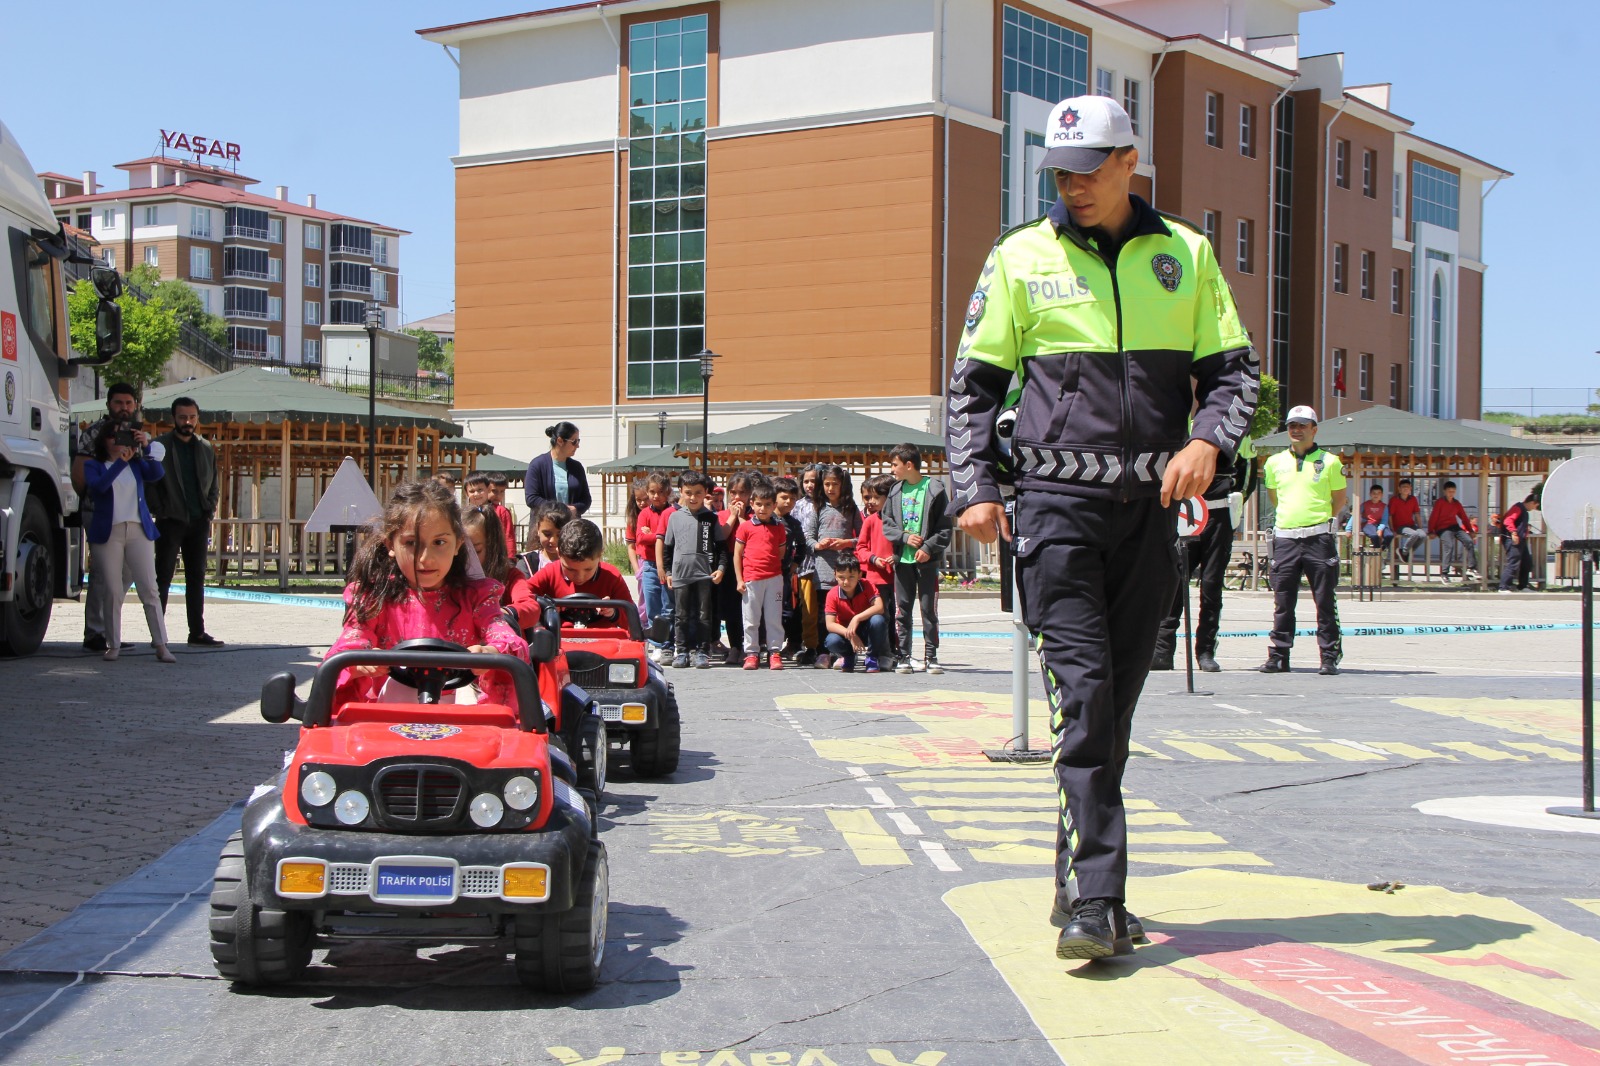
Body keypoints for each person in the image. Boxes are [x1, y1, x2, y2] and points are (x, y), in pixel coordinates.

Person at [947, 94, 1259, 961]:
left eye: (1088, 170)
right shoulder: (1019, 254)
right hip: (1055, 515)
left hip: (1151, 522)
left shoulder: (1187, 255)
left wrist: (1206, 440)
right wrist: (975, 486)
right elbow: (971, 388)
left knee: (1110, 716)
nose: (1073, 186)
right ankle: (1098, 902)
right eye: (1060, 172)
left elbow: (1237, 378)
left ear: (1129, 162)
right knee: (1082, 702)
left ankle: (1075, 881)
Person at [328, 480, 528, 709]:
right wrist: (359, 661)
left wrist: (491, 653)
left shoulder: (478, 598)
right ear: (390, 544)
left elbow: (508, 640)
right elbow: (347, 645)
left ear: (457, 544)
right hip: (384, 719)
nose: (425, 558)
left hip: (462, 720)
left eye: (439, 542)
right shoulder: (374, 597)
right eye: (412, 543)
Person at [1153, 433, 1256, 673]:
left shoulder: (1235, 430)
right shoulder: (1181, 421)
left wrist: (1234, 500)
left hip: (1219, 515)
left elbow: (1248, 473)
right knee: (1175, 585)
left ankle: (1206, 651)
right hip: (1186, 513)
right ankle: (1163, 651)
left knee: (1211, 586)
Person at [1258, 406, 1347, 675]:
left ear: (1314, 429)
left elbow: (1339, 500)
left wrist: (1317, 521)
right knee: (1282, 601)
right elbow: (1275, 498)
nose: (1296, 430)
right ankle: (1278, 655)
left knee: (1324, 599)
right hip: (1285, 539)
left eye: (1303, 425)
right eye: (1292, 425)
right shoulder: (1274, 463)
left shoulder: (1330, 462)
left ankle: (1329, 655)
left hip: (1318, 538)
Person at [82, 420, 176, 663]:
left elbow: (157, 474)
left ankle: (161, 644)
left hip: (138, 529)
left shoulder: (136, 464)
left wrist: (148, 445)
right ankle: (112, 644)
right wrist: (120, 463)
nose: (118, 440)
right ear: (103, 441)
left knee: (149, 588)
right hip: (108, 532)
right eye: (112, 436)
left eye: (122, 436)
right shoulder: (94, 465)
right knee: (112, 590)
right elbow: (98, 488)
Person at [71, 382, 148, 652]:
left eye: (128, 403)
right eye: (119, 403)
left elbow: (147, 472)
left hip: (131, 514)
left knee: (126, 573)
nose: (124, 408)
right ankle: (94, 631)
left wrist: (146, 448)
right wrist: (89, 502)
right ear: (109, 405)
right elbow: (80, 471)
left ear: (135, 405)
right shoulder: (94, 432)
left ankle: (110, 628)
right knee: (104, 573)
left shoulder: (138, 435)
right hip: (100, 511)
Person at [147, 397, 223, 647]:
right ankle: (158, 634)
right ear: (173, 418)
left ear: (197, 418)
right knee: (163, 577)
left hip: (198, 520)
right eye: (182, 417)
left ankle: (197, 632)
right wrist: (161, 509)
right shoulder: (159, 447)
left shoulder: (206, 448)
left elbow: (214, 483)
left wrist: (209, 510)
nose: (187, 422)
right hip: (170, 520)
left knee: (196, 577)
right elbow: (150, 484)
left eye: (191, 417)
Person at [881, 445, 951, 675]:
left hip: (927, 563)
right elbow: (887, 525)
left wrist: (929, 548)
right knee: (903, 610)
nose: (892, 469)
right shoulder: (894, 491)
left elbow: (945, 528)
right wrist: (904, 537)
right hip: (903, 562)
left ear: (908, 465)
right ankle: (904, 656)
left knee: (928, 609)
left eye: (894, 464)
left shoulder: (935, 489)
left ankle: (931, 656)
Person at [658, 470, 727, 669]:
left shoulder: (711, 519)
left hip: (704, 575)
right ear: (681, 492)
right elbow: (667, 548)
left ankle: (703, 651)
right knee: (681, 615)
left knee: (704, 614)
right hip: (681, 575)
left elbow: (722, 548)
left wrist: (721, 569)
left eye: (698, 493)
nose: (693, 497)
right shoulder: (674, 517)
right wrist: (669, 572)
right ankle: (682, 651)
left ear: (705, 492)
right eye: (688, 492)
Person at [804, 464, 863, 670]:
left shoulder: (851, 509)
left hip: (845, 572)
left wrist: (846, 543)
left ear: (843, 485)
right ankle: (823, 652)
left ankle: (843, 653)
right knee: (823, 613)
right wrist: (817, 545)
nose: (830, 488)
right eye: (827, 484)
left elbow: (862, 537)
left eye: (834, 484)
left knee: (845, 613)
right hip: (822, 570)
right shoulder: (818, 508)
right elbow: (808, 536)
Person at [526, 519, 633, 626]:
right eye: (571, 569)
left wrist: (613, 613)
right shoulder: (550, 572)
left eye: (588, 569)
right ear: (559, 554)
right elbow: (522, 599)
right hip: (559, 639)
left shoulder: (611, 576)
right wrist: (544, 608)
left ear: (600, 555)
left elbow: (632, 619)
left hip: (604, 639)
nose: (580, 577)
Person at [734, 480, 787, 671]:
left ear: (774, 505)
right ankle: (751, 654)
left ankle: (774, 652)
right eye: (758, 504)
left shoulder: (779, 527)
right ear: (752, 504)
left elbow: (781, 553)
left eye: (767, 504)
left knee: (774, 617)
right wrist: (740, 579)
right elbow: (737, 554)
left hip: (774, 578)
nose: (763, 508)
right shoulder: (746, 527)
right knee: (751, 618)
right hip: (751, 578)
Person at [463, 505, 537, 628]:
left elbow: (530, 607)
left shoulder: (510, 576)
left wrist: (501, 613)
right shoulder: (448, 577)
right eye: (461, 551)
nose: (467, 558)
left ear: (492, 548)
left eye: (476, 551)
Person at [823, 555, 889, 673]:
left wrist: (857, 618)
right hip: (846, 633)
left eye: (851, 577)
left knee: (878, 620)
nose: (846, 582)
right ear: (835, 575)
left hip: (866, 629)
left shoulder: (867, 585)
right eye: (841, 577)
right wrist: (850, 634)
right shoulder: (832, 594)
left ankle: (872, 657)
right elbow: (830, 624)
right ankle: (848, 656)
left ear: (859, 575)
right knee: (831, 640)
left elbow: (879, 607)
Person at [634, 472, 675, 660]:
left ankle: (668, 642)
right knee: (652, 606)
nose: (655, 496)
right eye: (652, 492)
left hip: (668, 566)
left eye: (660, 492)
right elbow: (641, 538)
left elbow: (670, 539)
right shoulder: (644, 513)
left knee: (668, 605)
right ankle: (657, 643)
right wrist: (660, 535)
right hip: (649, 566)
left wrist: (655, 534)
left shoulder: (672, 512)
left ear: (667, 492)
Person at [856, 474, 898, 658]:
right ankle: (879, 652)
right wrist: (874, 559)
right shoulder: (871, 521)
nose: (870, 502)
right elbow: (861, 548)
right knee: (880, 616)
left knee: (896, 617)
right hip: (876, 578)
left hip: (898, 577)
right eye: (868, 497)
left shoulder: (900, 521)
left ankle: (896, 651)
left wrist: (896, 556)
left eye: (876, 497)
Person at [716, 473, 754, 664]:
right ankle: (734, 647)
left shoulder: (754, 515)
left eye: (742, 493)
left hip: (749, 565)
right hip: (729, 565)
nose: (737, 497)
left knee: (748, 609)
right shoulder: (723, 514)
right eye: (733, 492)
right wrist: (732, 516)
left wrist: (741, 518)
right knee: (731, 608)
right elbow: (722, 535)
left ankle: (750, 648)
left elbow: (751, 535)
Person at [773, 475, 810, 662]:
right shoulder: (765, 518)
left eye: (793, 498)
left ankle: (783, 645)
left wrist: (795, 564)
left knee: (785, 611)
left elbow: (802, 546)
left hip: (783, 574)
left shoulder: (793, 523)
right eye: (784, 497)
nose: (789, 502)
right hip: (762, 574)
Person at [790, 465, 822, 664]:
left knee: (825, 608)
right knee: (808, 610)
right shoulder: (798, 505)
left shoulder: (827, 504)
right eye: (807, 481)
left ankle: (825, 646)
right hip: (806, 564)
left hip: (826, 564)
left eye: (814, 481)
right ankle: (810, 646)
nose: (810, 485)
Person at [524, 421, 590, 517]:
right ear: (560, 441)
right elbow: (532, 498)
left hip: (570, 527)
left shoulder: (577, 467)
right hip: (545, 527)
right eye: (574, 441)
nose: (577, 445)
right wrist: (558, 510)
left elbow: (586, 499)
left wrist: (575, 508)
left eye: (578, 441)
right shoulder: (537, 465)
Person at [1429, 481, 1479, 578]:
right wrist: (1431, 531)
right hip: (1442, 528)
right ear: (1444, 491)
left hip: (1454, 527)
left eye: (1453, 491)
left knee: (1469, 541)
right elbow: (1433, 517)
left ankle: (1472, 568)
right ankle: (1444, 573)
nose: (1451, 494)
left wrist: (1471, 531)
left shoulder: (1456, 503)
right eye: (1449, 491)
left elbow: (1464, 517)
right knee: (1449, 546)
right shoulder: (1440, 502)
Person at [1498, 494, 1539, 592]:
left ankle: (1523, 586)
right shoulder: (1518, 507)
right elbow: (1508, 520)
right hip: (1512, 539)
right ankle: (1503, 587)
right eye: (1535, 506)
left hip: (1521, 540)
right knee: (1513, 562)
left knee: (1527, 563)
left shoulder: (1524, 511)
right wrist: (1513, 533)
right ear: (1532, 503)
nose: (1534, 508)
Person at [524, 502, 571, 573]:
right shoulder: (527, 562)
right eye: (547, 534)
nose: (553, 540)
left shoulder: (575, 564)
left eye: (560, 535)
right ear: (538, 528)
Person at [1388, 480, 1426, 565]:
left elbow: (1417, 514)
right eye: (1403, 487)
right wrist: (1392, 529)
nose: (1405, 488)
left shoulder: (1413, 499)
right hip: (1399, 526)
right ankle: (1404, 552)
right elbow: (1390, 515)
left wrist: (1420, 527)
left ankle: (1406, 552)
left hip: (1411, 525)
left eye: (1407, 487)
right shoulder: (1394, 500)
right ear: (1399, 489)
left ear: (1410, 489)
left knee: (1423, 535)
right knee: (1414, 534)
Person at [486, 472, 517, 547]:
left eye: (502, 491)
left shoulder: (502, 511)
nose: (498, 495)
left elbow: (509, 536)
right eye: (494, 491)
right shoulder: (477, 509)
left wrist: (510, 557)